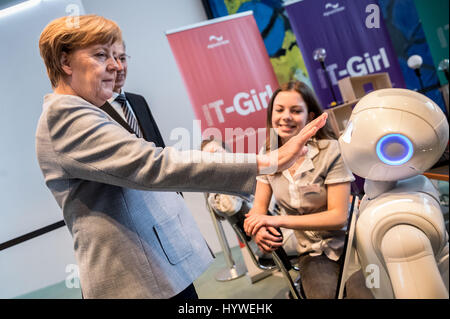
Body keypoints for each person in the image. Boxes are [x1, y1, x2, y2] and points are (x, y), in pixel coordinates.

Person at [36, 15, 327, 299]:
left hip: (152, 269)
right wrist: (267, 161)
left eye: (117, 56)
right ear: (64, 62)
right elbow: (153, 164)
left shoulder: (88, 111)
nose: (115, 66)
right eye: (101, 55)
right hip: (135, 279)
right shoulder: (66, 116)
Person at [243, 81, 373, 299]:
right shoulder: (268, 156)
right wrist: (259, 229)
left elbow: (338, 217)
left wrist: (276, 221)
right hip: (312, 251)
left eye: (295, 111)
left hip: (352, 242)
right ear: (271, 115)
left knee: (362, 294)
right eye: (280, 110)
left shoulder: (331, 150)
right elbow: (257, 210)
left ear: (310, 116)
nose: (286, 116)